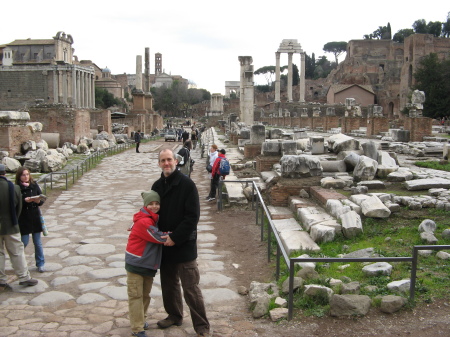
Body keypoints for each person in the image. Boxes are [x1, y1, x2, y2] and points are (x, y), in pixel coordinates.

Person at [152, 149, 211, 337]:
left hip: (183, 244)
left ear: (176, 161)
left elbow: (192, 217)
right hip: (164, 244)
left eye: (169, 160)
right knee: (169, 285)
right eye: (163, 160)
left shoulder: (187, 185)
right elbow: (151, 213)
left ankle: (202, 327)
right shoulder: (156, 186)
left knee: (191, 288)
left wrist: (175, 237)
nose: (166, 163)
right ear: (159, 163)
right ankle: (174, 315)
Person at [126, 190, 167, 337]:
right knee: (136, 295)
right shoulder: (144, 221)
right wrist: (177, 234)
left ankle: (141, 319)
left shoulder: (151, 218)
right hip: (137, 263)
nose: (154, 206)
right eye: (151, 204)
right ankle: (137, 328)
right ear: (145, 205)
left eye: (157, 204)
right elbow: (159, 237)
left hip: (146, 264)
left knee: (144, 295)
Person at [0, 164, 38, 288]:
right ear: (5, 173)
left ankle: (1, 278)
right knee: (17, 251)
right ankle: (23, 277)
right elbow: (18, 207)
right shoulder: (13, 188)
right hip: (11, 224)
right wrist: (14, 219)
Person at [15, 167, 46, 273]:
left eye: (27, 174)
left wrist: (38, 201)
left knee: (38, 242)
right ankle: (20, 264)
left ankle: (40, 263)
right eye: (23, 175)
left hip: (35, 216)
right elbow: (15, 204)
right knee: (24, 242)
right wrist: (24, 201)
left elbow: (41, 201)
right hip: (24, 217)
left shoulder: (34, 185)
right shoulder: (17, 188)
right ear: (19, 176)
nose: (26, 176)